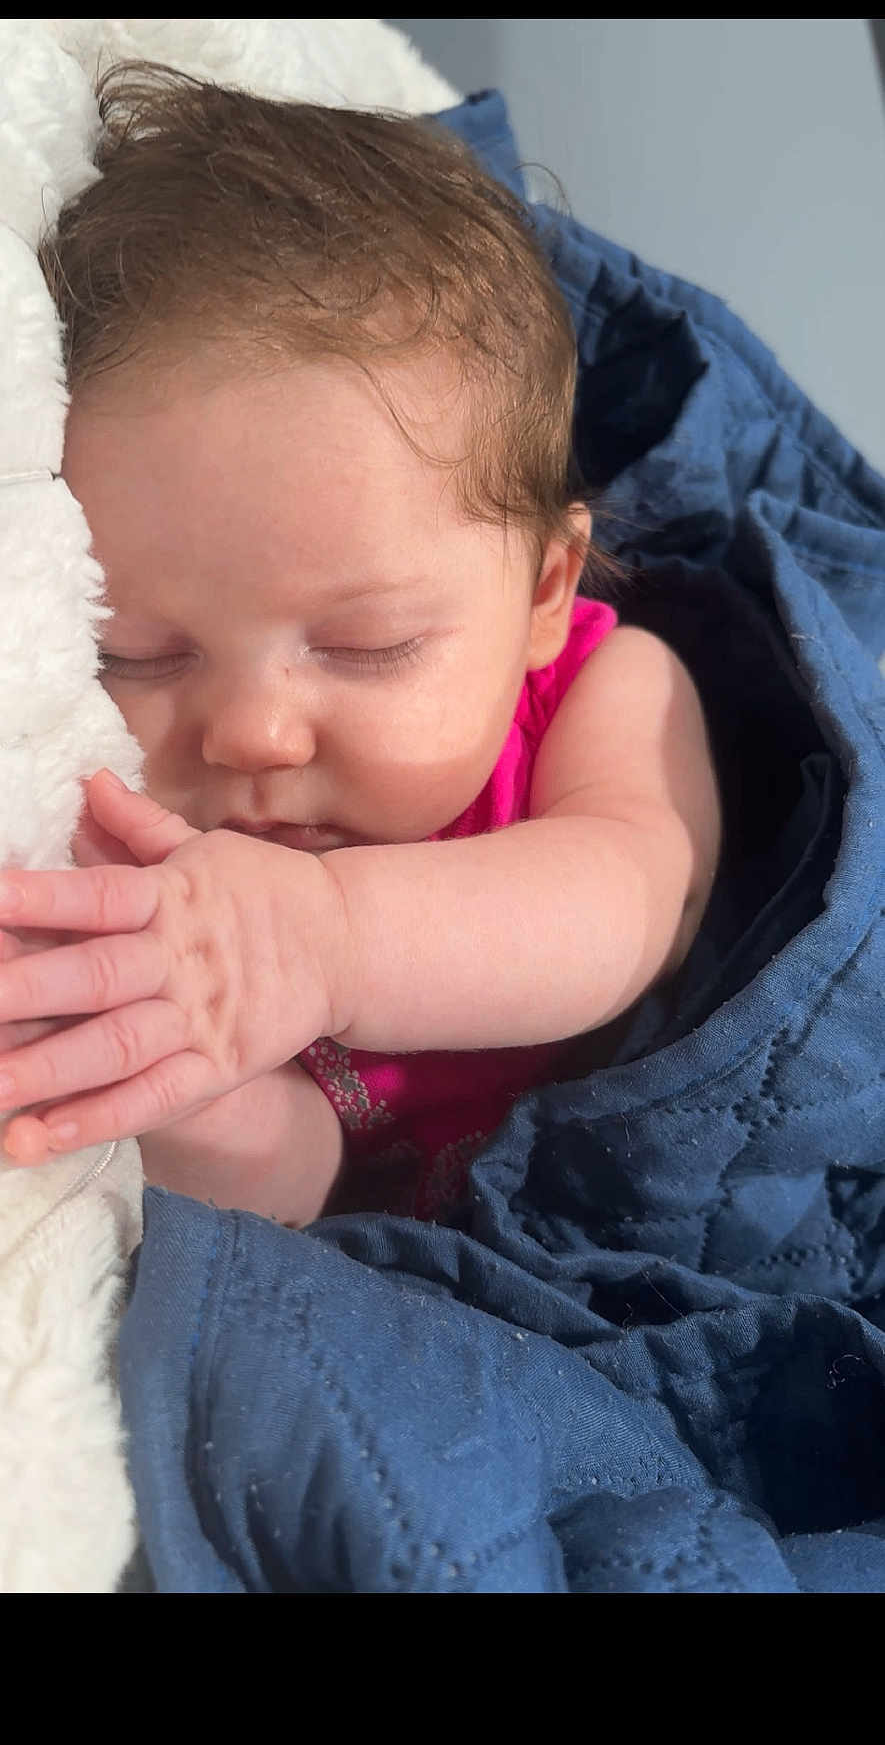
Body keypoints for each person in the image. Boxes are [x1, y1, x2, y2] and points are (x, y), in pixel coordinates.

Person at [0, 64, 722, 1225]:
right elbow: (304, 1188)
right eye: (137, 653)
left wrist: (327, 943)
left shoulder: (607, 687)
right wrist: (181, 1077)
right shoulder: (160, 863)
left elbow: (635, 900)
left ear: (544, 591)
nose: (252, 735)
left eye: (366, 645)